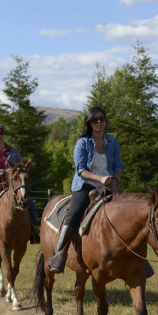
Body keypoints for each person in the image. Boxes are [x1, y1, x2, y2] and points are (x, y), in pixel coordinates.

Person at [46, 106, 123, 273]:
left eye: (102, 119)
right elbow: (81, 170)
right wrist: (101, 178)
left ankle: (136, 259)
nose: (99, 122)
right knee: (74, 213)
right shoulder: (83, 142)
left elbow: (118, 167)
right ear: (89, 122)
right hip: (85, 185)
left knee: (126, 212)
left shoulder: (113, 142)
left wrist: (114, 181)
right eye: (95, 120)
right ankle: (60, 253)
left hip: (109, 185)